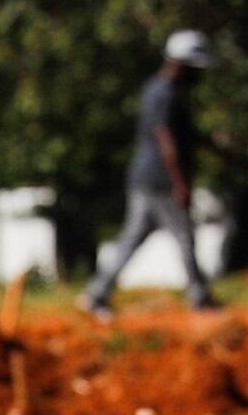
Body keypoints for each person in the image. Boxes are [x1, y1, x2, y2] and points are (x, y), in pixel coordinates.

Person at [83, 31, 222, 312]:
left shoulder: (162, 91)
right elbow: (165, 138)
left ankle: (97, 292)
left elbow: (187, 135)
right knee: (184, 237)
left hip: (146, 178)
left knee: (132, 239)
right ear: (182, 64)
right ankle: (200, 296)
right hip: (161, 181)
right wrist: (180, 182)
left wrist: (219, 150)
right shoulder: (164, 94)